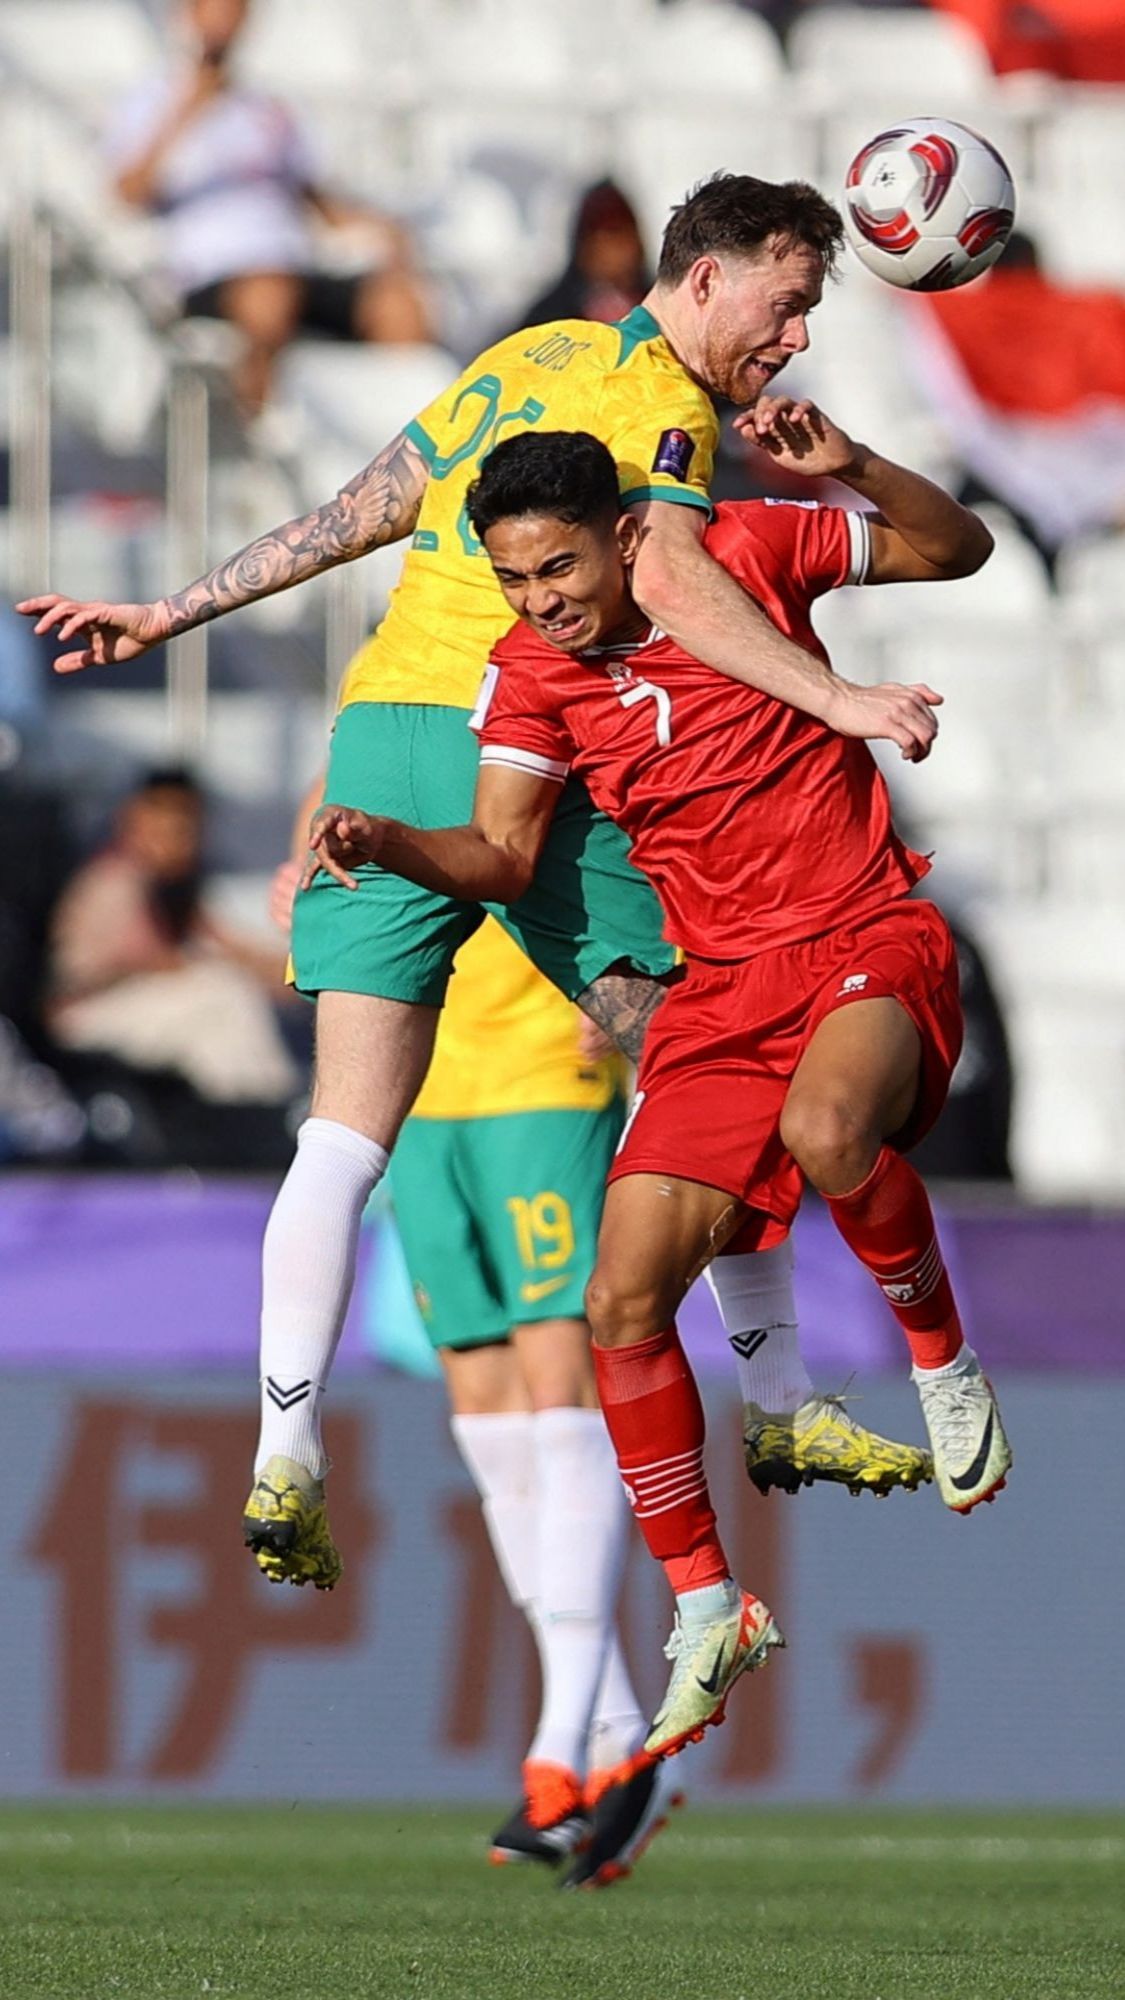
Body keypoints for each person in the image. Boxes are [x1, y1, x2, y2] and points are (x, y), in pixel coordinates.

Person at [20, 175, 946, 1593]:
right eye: (789, 295)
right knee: (711, 1047)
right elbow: (685, 585)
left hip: (378, 735)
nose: (799, 331)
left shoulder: (523, 361)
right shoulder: (661, 409)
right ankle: (778, 1402)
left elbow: (361, 509)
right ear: (707, 276)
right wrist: (841, 701)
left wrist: (172, 607)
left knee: (339, 1135)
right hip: (519, 741)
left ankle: (285, 1455)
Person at [302, 414, 1013, 1762]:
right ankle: (706, 1603)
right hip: (719, 996)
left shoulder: (745, 547)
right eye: (512, 580)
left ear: (627, 536)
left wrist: (847, 466)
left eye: (557, 568)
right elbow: (506, 858)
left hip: (865, 932)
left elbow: (956, 545)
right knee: (620, 1298)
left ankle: (942, 1357)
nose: (537, 603)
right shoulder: (526, 675)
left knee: (827, 1127)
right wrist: (384, 836)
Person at [268, 818, 679, 1884]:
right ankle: (615, 1731)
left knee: (563, 1384)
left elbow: (648, 823)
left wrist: (646, 971)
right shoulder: (393, 699)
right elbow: (328, 818)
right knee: (490, 1416)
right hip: (419, 1093)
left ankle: (558, 1744)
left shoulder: (544, 692)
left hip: (545, 1068)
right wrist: (297, 868)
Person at [109, 0, 431, 412]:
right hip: (211, 276)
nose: (224, 21)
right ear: (186, 14)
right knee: (268, 296)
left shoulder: (268, 109)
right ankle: (261, 436)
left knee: (399, 304)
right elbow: (126, 193)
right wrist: (188, 111)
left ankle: (400, 438)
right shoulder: (152, 99)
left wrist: (381, 230)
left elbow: (312, 198)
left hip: (291, 268)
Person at [46, 765, 299, 1107]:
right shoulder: (112, 882)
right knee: (220, 995)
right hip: (85, 1018)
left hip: (149, 1009)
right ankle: (266, 1110)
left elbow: (230, 952)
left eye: (186, 827)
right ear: (131, 820)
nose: (178, 838)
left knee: (221, 993)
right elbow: (74, 978)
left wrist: (304, 975)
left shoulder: (178, 888)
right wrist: (166, 965)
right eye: (166, 825)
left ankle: (264, 1109)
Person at [511, 179, 651, 335]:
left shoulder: (660, 306)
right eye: (598, 238)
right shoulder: (551, 317)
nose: (611, 249)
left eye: (617, 233)